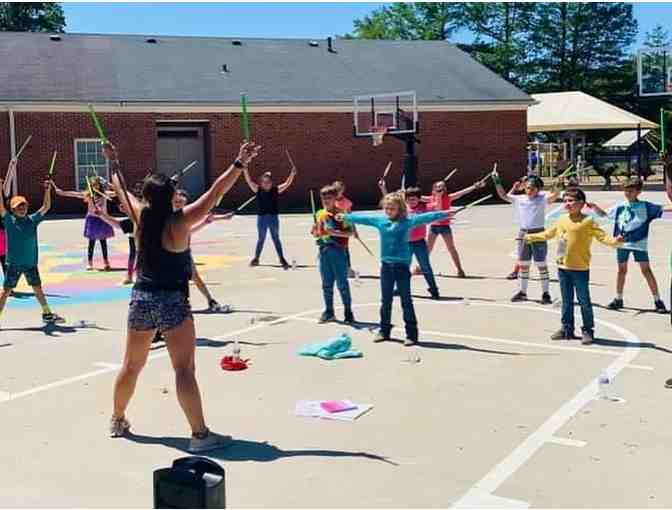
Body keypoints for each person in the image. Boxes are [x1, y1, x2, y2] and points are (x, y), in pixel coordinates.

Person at [105, 140, 260, 452]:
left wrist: (113, 159)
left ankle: (117, 420)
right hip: (173, 301)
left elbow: (119, 186)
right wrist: (239, 163)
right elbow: (215, 192)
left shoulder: (139, 216)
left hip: (141, 298)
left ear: (147, 196)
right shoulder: (180, 221)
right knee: (183, 369)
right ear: (170, 196)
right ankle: (200, 436)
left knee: (131, 365)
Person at [340, 192, 448, 346]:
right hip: (386, 267)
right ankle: (384, 331)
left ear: (400, 209)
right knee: (386, 300)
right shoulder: (380, 221)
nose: (389, 211)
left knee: (406, 301)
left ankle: (411, 334)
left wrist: (444, 213)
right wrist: (346, 217)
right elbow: (363, 218)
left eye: (392, 208)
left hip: (402, 267)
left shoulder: (407, 222)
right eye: (387, 208)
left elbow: (426, 217)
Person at [525, 188, 623, 345]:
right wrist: (530, 237)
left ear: (582, 203)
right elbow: (549, 234)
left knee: (584, 301)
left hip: (580, 269)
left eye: (570, 201)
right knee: (566, 300)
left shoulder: (588, 221)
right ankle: (567, 328)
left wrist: (615, 242)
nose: (567, 204)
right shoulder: (562, 219)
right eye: (565, 201)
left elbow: (603, 237)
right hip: (563, 267)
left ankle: (588, 330)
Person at [0, 160, 64, 326]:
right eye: (18, 207)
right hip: (14, 264)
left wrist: (47, 190)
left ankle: (47, 313)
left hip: (30, 263)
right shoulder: (9, 220)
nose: (22, 209)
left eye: (24, 206)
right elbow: (1, 208)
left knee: (37, 288)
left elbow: (46, 206)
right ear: (12, 209)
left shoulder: (32, 220)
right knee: (6, 291)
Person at [494, 175, 560, 304]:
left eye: (532, 188)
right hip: (523, 233)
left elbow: (555, 195)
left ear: (538, 189)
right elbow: (503, 196)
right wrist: (497, 181)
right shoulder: (520, 199)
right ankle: (522, 292)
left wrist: (558, 185)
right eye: (528, 188)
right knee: (524, 265)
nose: (529, 190)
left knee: (541, 264)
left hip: (538, 233)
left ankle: (545, 293)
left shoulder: (542, 198)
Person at [606, 177, 667, 313]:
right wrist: (593, 207)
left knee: (646, 270)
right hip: (622, 243)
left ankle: (658, 300)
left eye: (631, 191)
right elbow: (605, 214)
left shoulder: (646, 206)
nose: (628, 193)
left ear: (638, 192)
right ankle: (618, 298)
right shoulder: (620, 206)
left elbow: (663, 210)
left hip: (639, 243)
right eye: (626, 191)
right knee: (621, 270)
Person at [378, 179, 440, 299]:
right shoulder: (403, 209)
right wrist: (383, 188)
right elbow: (389, 200)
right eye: (409, 199)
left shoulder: (424, 208)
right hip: (405, 243)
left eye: (414, 199)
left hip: (420, 242)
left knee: (425, 266)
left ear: (419, 199)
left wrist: (438, 195)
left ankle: (434, 289)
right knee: (403, 267)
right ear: (405, 200)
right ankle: (400, 288)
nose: (411, 201)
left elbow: (437, 207)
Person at [423, 178, 486, 278]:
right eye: (438, 186)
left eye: (442, 186)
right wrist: (403, 193)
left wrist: (474, 186)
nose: (440, 188)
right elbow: (415, 197)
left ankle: (459, 269)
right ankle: (420, 268)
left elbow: (462, 192)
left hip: (444, 227)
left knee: (451, 248)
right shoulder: (430, 198)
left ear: (445, 189)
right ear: (434, 189)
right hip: (434, 227)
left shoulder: (449, 197)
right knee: (428, 249)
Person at [312, 184, 354, 324]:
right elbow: (317, 232)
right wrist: (315, 232)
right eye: (323, 198)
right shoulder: (320, 213)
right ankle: (329, 311)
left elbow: (350, 232)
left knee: (342, 284)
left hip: (338, 251)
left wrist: (334, 232)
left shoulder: (341, 214)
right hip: (324, 251)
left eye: (329, 198)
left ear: (335, 198)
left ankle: (348, 311)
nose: (326, 201)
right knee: (326, 284)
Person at [54, 177, 115, 271]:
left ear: (100, 185)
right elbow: (75, 194)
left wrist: (107, 183)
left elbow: (118, 192)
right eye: (93, 185)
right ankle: (90, 263)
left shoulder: (104, 194)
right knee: (91, 242)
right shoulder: (88, 194)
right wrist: (62, 192)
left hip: (103, 219)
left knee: (103, 242)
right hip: (93, 219)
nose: (95, 187)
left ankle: (106, 262)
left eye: (97, 185)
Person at [243, 163, 296, 269]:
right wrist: (245, 170)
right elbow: (249, 181)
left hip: (273, 218)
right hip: (262, 218)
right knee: (261, 238)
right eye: (264, 182)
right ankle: (256, 258)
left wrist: (292, 174)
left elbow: (287, 184)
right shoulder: (258, 189)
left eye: (268, 182)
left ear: (271, 183)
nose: (266, 184)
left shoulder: (275, 190)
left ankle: (281, 258)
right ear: (261, 183)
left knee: (276, 238)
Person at [96, 202, 136, 285]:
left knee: (136, 256)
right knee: (133, 255)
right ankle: (129, 276)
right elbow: (118, 224)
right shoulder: (134, 219)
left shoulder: (139, 218)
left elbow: (117, 224)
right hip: (135, 238)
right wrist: (102, 215)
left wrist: (102, 215)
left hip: (141, 240)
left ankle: (130, 276)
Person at [333, 180, 357, 278]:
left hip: (344, 228)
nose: (337, 192)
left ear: (342, 190)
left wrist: (354, 230)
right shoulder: (331, 201)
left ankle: (348, 268)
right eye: (335, 190)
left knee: (345, 249)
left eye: (339, 190)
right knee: (333, 249)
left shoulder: (346, 202)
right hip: (333, 227)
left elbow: (351, 217)